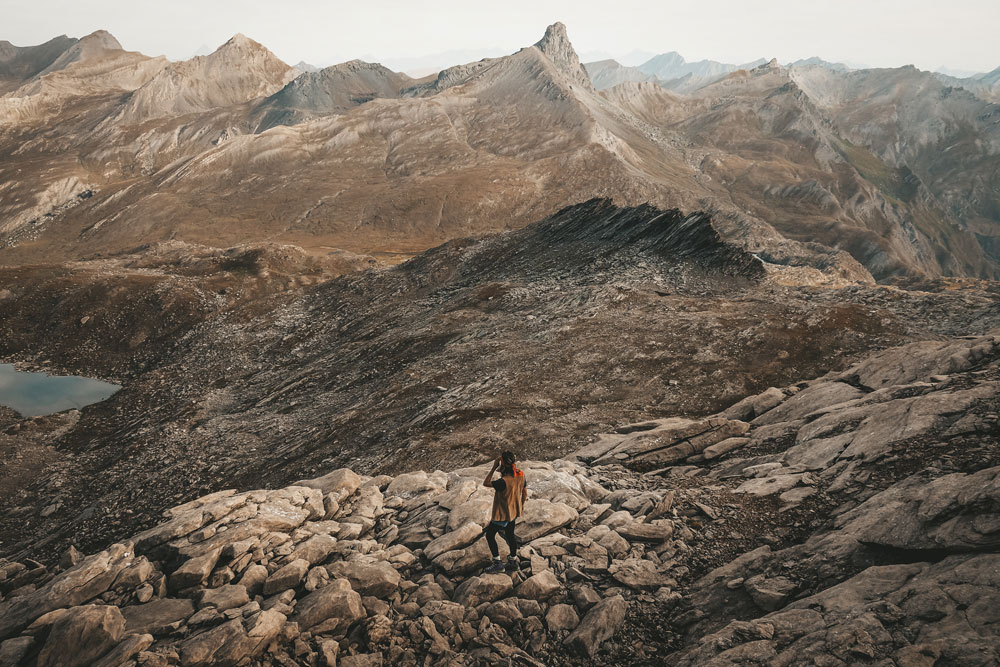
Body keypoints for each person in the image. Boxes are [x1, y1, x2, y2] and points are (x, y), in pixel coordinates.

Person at [481, 450, 527, 573]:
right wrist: (520, 506)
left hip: (502, 514)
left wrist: (493, 467)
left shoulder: (503, 481)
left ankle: (497, 564)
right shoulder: (520, 474)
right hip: (514, 512)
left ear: (503, 464)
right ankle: (512, 561)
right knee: (510, 535)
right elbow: (524, 491)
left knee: (490, 535)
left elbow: (485, 483)